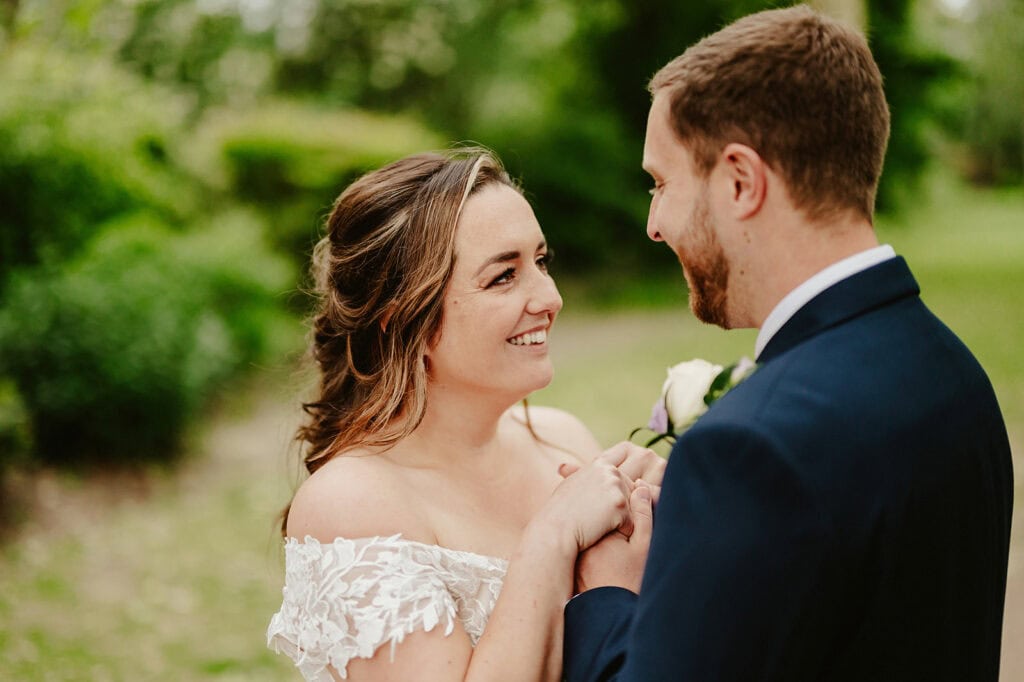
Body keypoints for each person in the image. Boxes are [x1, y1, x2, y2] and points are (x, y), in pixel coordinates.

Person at [563, 5, 1014, 681]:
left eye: (661, 183)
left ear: (741, 181)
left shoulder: (753, 449)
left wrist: (607, 590)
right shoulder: (952, 371)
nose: (653, 225)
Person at [266, 147, 664, 681]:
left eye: (540, 262)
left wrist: (666, 532)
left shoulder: (563, 440)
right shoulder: (353, 503)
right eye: (503, 276)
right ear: (399, 315)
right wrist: (550, 539)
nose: (550, 296)